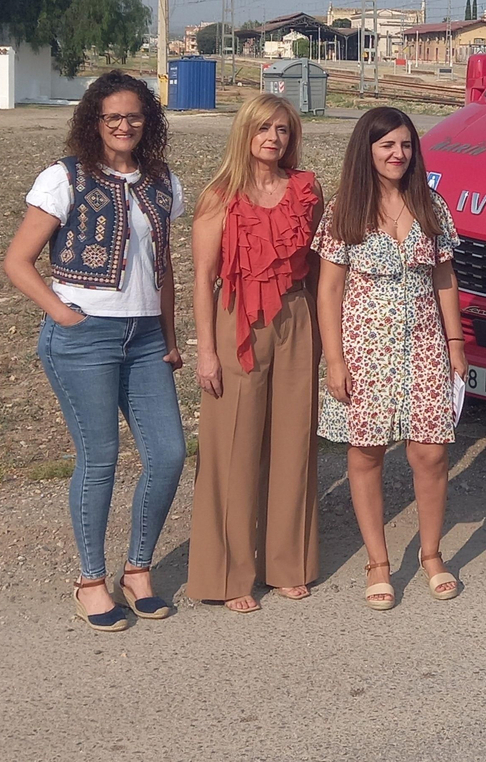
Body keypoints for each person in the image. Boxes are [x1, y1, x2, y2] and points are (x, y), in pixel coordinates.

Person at [2, 71, 186, 632]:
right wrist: (62, 313)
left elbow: (165, 267)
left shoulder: (161, 181)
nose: (124, 125)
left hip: (146, 336)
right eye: (113, 117)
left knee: (169, 453)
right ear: (94, 121)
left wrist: (171, 336)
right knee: (100, 457)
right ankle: (89, 580)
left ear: (147, 120)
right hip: (86, 336)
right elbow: (18, 261)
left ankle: (137, 569)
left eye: (134, 116)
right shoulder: (65, 178)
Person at [314, 107, 467, 609]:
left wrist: (455, 344)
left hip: (423, 343)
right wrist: (334, 360)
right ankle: (378, 562)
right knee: (367, 452)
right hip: (366, 348)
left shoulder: (431, 205)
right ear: (368, 150)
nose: (397, 154)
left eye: (404, 145)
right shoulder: (344, 210)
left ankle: (430, 554)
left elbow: (444, 278)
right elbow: (329, 290)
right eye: (386, 146)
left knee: (431, 452)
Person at [186, 94, 323, 612]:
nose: (273, 138)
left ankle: (288, 563)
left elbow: (318, 266)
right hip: (235, 319)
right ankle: (227, 574)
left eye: (283, 130)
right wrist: (205, 351)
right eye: (264, 128)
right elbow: (201, 279)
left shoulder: (307, 190)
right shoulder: (219, 197)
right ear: (245, 132)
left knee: (294, 443)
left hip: (296, 316)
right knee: (233, 447)